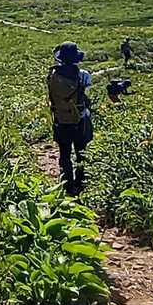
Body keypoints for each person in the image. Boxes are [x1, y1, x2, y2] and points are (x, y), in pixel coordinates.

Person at [46, 42, 95, 195]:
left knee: (64, 153)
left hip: (60, 119)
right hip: (80, 119)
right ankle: (80, 182)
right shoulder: (83, 75)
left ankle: (67, 184)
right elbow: (86, 95)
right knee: (81, 153)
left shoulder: (52, 75)